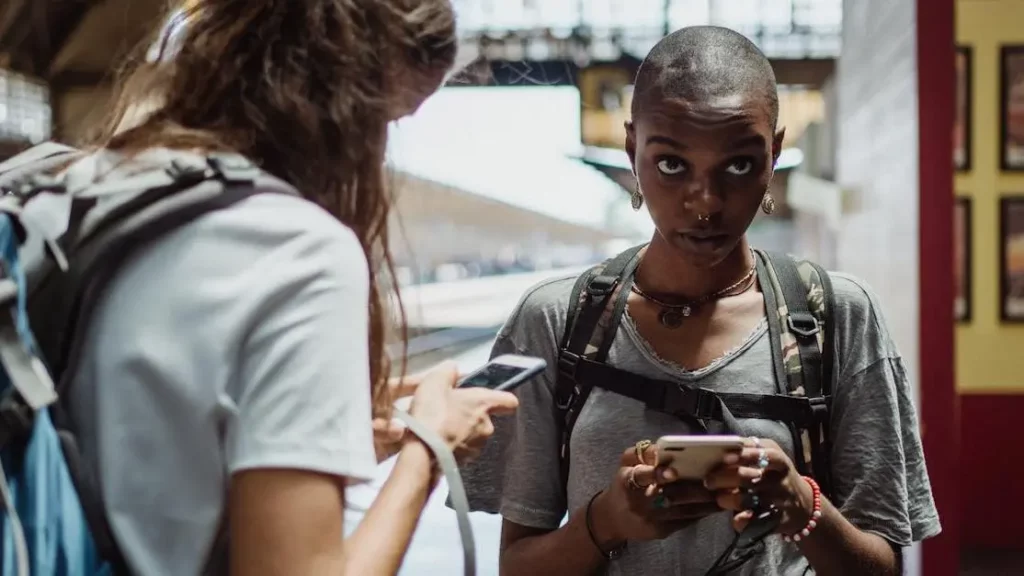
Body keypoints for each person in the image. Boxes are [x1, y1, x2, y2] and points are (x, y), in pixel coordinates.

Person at [459, 26, 940, 576]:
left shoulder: (836, 315)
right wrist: (607, 520)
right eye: (671, 165)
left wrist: (801, 505)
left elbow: (883, 568)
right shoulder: (557, 321)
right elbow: (517, 568)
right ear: (631, 148)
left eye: (738, 165)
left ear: (774, 153)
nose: (706, 203)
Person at [59, 1, 518, 574]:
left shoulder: (81, 184)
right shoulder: (298, 249)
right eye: (388, 121)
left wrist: (316, 427)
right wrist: (430, 453)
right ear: (351, 101)